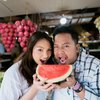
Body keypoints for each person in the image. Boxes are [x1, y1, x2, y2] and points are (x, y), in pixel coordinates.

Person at [0, 31, 55, 100]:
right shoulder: (13, 74)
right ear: (30, 49)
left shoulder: (47, 67)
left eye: (49, 50)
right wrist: (35, 88)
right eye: (40, 50)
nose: (46, 55)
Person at [52, 25, 100, 100]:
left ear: (77, 48)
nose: (60, 51)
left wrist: (75, 85)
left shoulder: (96, 66)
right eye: (56, 46)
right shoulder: (52, 64)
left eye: (66, 46)